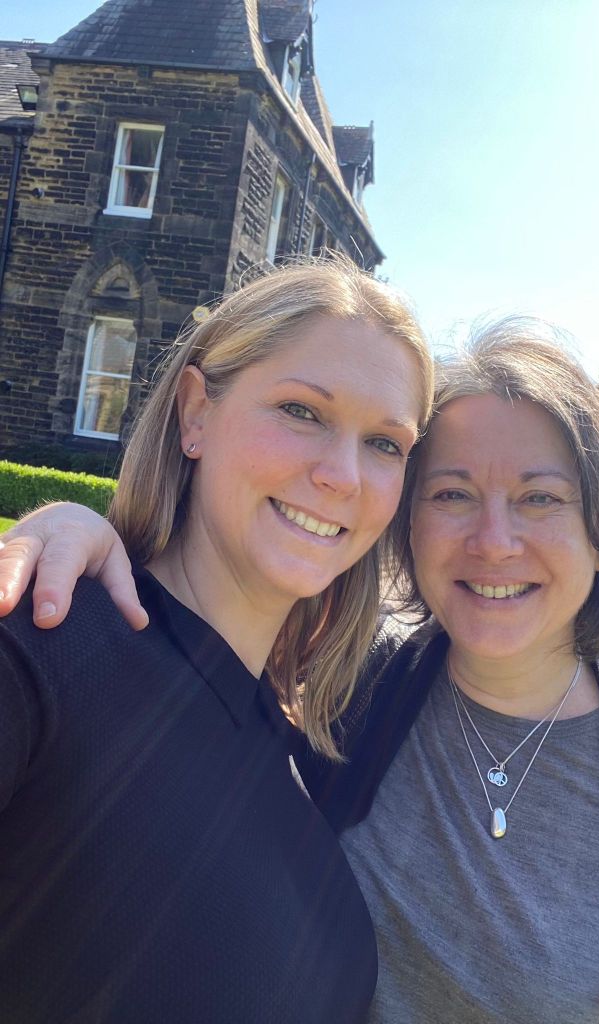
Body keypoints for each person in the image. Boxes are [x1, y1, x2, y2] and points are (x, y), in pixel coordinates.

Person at [0, 322, 599, 1023]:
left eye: (540, 499)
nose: (493, 540)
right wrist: (72, 530)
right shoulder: (339, 691)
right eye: (452, 493)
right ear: (407, 524)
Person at [0, 257, 434, 1022]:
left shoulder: (313, 753)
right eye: (302, 411)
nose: (342, 475)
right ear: (196, 413)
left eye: (386, 444)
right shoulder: (44, 636)